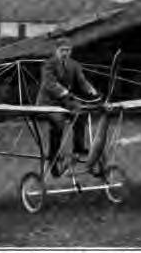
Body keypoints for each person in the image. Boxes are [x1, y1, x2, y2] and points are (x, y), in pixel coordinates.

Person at [36, 38, 99, 177]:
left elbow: (82, 82)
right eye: (62, 50)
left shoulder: (74, 65)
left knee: (81, 112)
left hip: (65, 102)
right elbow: (49, 84)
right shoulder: (49, 65)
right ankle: (53, 158)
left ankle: (78, 149)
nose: (65, 53)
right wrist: (65, 93)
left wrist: (91, 90)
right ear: (56, 50)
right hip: (48, 103)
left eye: (68, 50)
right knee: (58, 121)